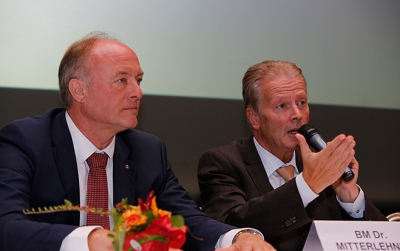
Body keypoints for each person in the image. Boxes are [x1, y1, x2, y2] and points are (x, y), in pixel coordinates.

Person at [0, 32, 276, 251]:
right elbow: (6, 226)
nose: (137, 92)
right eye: (122, 80)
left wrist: (239, 238)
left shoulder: (147, 151)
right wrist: (90, 240)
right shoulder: (26, 141)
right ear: (79, 90)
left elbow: (187, 221)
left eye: (139, 80)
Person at [197, 60, 387, 251]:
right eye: (282, 106)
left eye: (301, 102)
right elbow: (233, 225)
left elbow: (387, 242)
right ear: (254, 118)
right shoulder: (223, 163)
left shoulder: (321, 165)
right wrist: (307, 185)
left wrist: (350, 198)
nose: (297, 114)